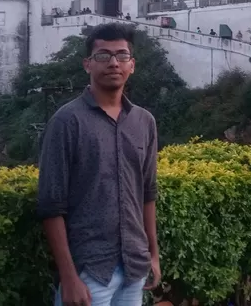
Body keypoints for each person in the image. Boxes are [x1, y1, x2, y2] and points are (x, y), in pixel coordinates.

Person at [37, 23, 160, 306]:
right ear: (87, 64)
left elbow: (148, 192)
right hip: (89, 273)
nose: (113, 63)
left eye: (122, 55)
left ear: (132, 65)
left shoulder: (144, 122)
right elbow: (50, 205)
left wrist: (153, 255)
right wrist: (68, 278)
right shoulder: (67, 122)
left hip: (134, 268)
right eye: (103, 56)